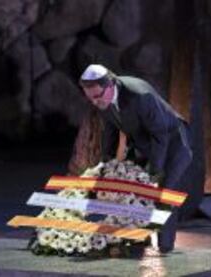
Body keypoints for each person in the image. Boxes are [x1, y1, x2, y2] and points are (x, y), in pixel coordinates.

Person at [79, 64, 193, 254]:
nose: (94, 102)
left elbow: (160, 135)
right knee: (133, 189)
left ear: (111, 85)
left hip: (174, 142)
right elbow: (111, 130)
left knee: (164, 192)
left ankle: (165, 246)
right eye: (90, 98)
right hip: (147, 144)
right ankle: (140, 238)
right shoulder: (101, 101)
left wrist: (154, 173)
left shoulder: (140, 95)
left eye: (97, 96)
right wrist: (106, 163)